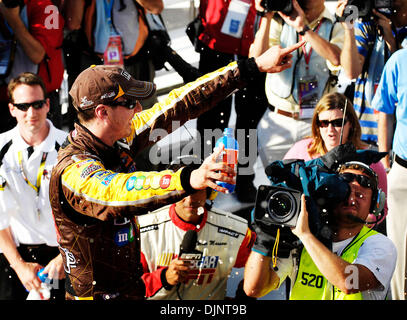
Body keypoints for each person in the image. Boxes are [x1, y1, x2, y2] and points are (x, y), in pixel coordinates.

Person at [48, 41, 303, 300]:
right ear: (102, 112)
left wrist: (252, 67)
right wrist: (191, 178)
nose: (138, 109)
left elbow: (181, 104)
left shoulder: (117, 135)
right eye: (130, 103)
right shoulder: (73, 170)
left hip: (130, 291)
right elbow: (118, 192)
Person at [244, 161, 397, 300]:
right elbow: (254, 289)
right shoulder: (301, 238)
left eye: (360, 195)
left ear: (375, 204)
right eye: (346, 191)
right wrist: (264, 241)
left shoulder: (381, 245)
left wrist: (306, 236)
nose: (352, 198)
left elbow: (348, 283)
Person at [249, 0, 358, 167]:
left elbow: (336, 59)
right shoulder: (279, 18)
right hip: (279, 120)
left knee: (316, 185)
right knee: (279, 188)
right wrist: (266, 15)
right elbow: (257, 61)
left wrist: (304, 29)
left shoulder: (335, 23)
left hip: (317, 124)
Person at [139, 157, 255, 300]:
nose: (189, 199)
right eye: (182, 191)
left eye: (196, 190)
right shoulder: (142, 229)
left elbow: (264, 265)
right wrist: (163, 278)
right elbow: (125, 288)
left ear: (210, 192)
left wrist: (245, 296)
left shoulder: (235, 230)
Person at [0, 72, 67, 300]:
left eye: (38, 104)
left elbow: (86, 211)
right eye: (23, 106)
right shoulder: (1, 149)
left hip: (63, 255)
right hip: (15, 257)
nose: (31, 113)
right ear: (12, 109)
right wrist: (18, 265)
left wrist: (65, 256)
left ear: (48, 105)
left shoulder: (69, 147)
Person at [193, 0, 268, 202]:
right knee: (211, 117)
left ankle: (244, 176)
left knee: (249, 118)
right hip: (216, 42)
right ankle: (207, 175)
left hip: (256, 45)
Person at [284, 92, 387, 231]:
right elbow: (282, 187)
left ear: (350, 124)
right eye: (324, 123)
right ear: (317, 125)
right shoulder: (301, 150)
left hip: (352, 233)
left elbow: (383, 208)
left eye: (338, 123)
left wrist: (366, 220)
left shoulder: (370, 160)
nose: (330, 130)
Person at [62, 0, 163, 130]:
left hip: (136, 61)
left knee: (143, 124)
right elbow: (73, 22)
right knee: (95, 126)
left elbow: (156, 7)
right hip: (94, 69)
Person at [340, 0, 407, 146]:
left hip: (401, 134)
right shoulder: (366, 24)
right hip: (365, 131)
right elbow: (351, 72)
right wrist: (348, 29)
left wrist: (391, 39)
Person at [0, 0, 65, 132]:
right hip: (4, 100)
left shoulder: (45, 6)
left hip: (39, 102)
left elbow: (37, 54)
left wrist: (13, 18)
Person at [373, 48, 407, 300]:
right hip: (403, 171)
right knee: (398, 250)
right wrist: (385, 160)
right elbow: (382, 108)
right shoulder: (399, 60)